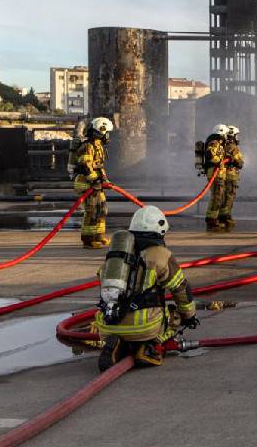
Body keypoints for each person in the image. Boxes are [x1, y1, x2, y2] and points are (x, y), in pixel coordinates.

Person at [96, 205, 197, 371]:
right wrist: (190, 316)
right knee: (175, 315)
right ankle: (149, 346)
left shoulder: (118, 253)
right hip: (144, 327)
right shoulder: (161, 255)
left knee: (124, 325)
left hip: (108, 325)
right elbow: (181, 289)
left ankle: (118, 344)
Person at [73, 117, 114, 249]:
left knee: (102, 209)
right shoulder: (88, 146)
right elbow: (85, 165)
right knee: (92, 211)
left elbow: (99, 166)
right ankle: (88, 240)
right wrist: (94, 179)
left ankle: (99, 236)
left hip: (96, 184)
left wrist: (105, 179)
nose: (108, 136)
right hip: (85, 183)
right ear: (100, 131)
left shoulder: (98, 146)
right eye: (107, 132)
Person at [202, 124, 229, 232]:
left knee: (218, 196)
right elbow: (210, 154)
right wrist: (219, 161)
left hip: (218, 173)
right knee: (216, 196)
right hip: (215, 173)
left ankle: (214, 217)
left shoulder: (219, 143)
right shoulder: (215, 142)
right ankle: (211, 219)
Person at [219, 125, 245, 230]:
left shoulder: (224, 145)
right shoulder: (231, 147)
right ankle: (225, 217)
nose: (237, 138)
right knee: (229, 196)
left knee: (224, 196)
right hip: (230, 175)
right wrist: (239, 162)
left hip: (225, 175)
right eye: (236, 135)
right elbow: (238, 161)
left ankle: (224, 216)